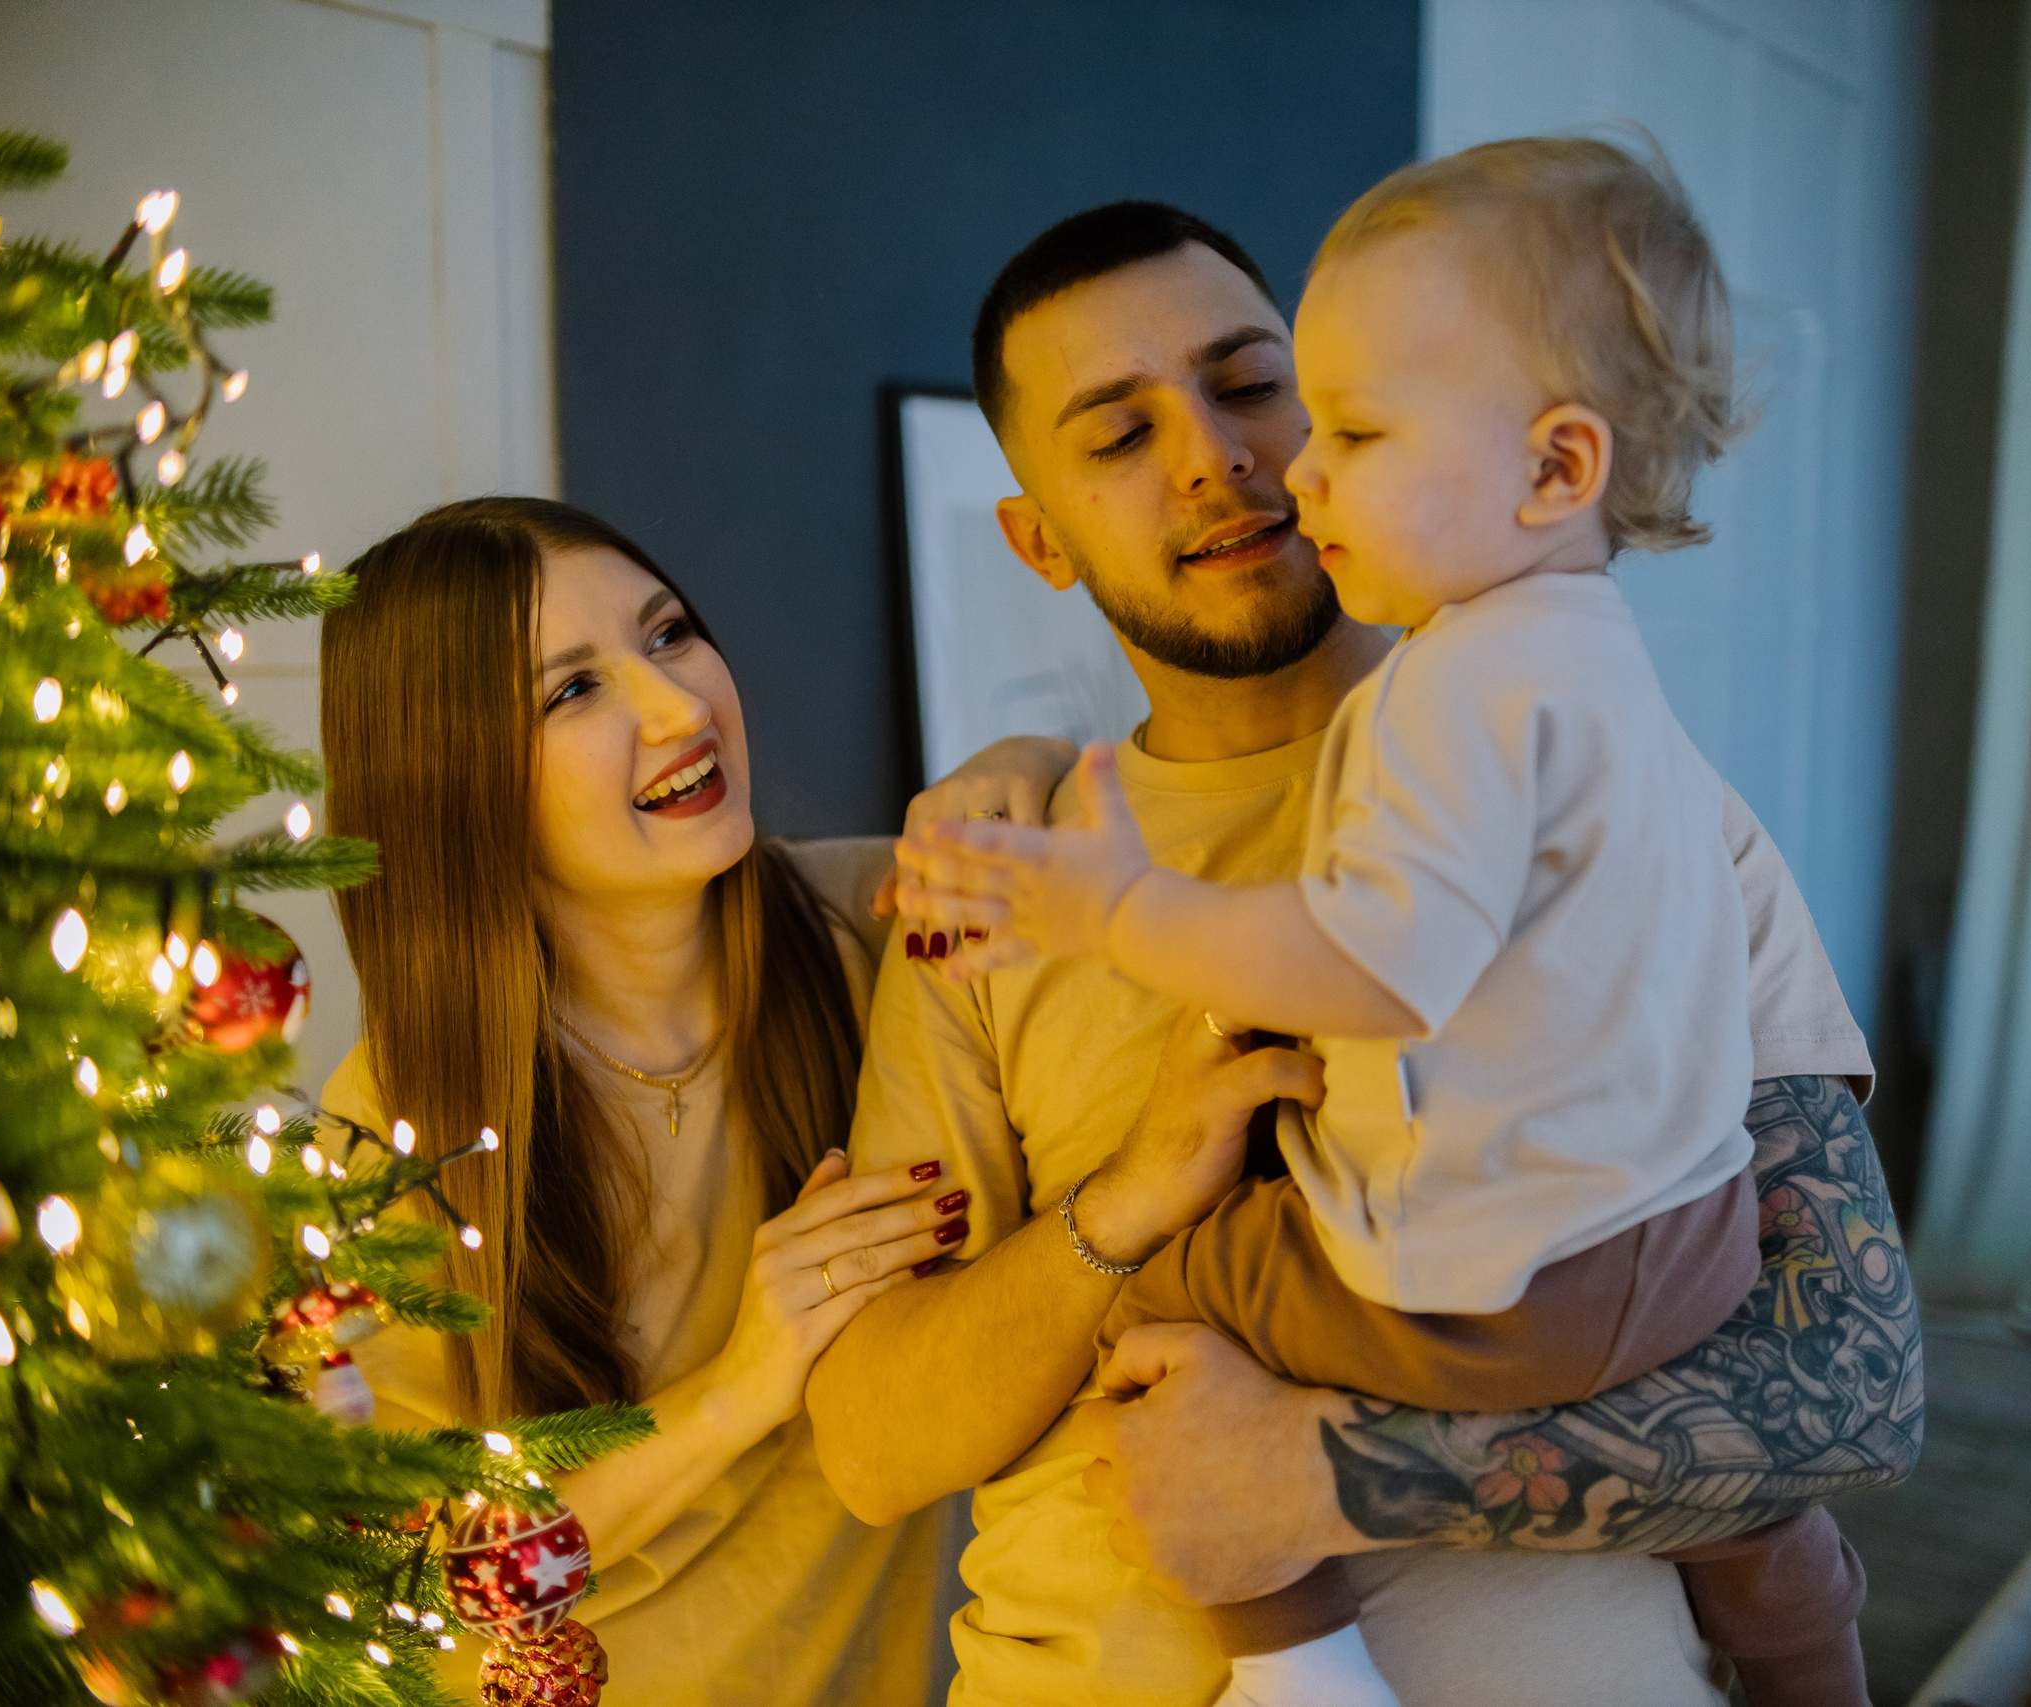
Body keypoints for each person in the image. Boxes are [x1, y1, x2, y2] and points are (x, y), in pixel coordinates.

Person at [808, 199, 1920, 1707]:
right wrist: (1127, 1198)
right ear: (1038, 540)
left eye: (1249, 384)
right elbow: (876, 1449)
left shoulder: (1635, 800)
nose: (1213, 455)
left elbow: (1854, 1392)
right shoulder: (999, 884)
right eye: (1121, 436)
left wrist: (1322, 1478)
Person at [313, 496, 1067, 1705]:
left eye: (668, 634)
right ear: (453, 782)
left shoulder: (881, 927)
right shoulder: (392, 1141)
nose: (678, 707)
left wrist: (1026, 765)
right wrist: (739, 1386)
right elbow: (423, 1570)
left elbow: (1130, 859)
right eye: (573, 692)